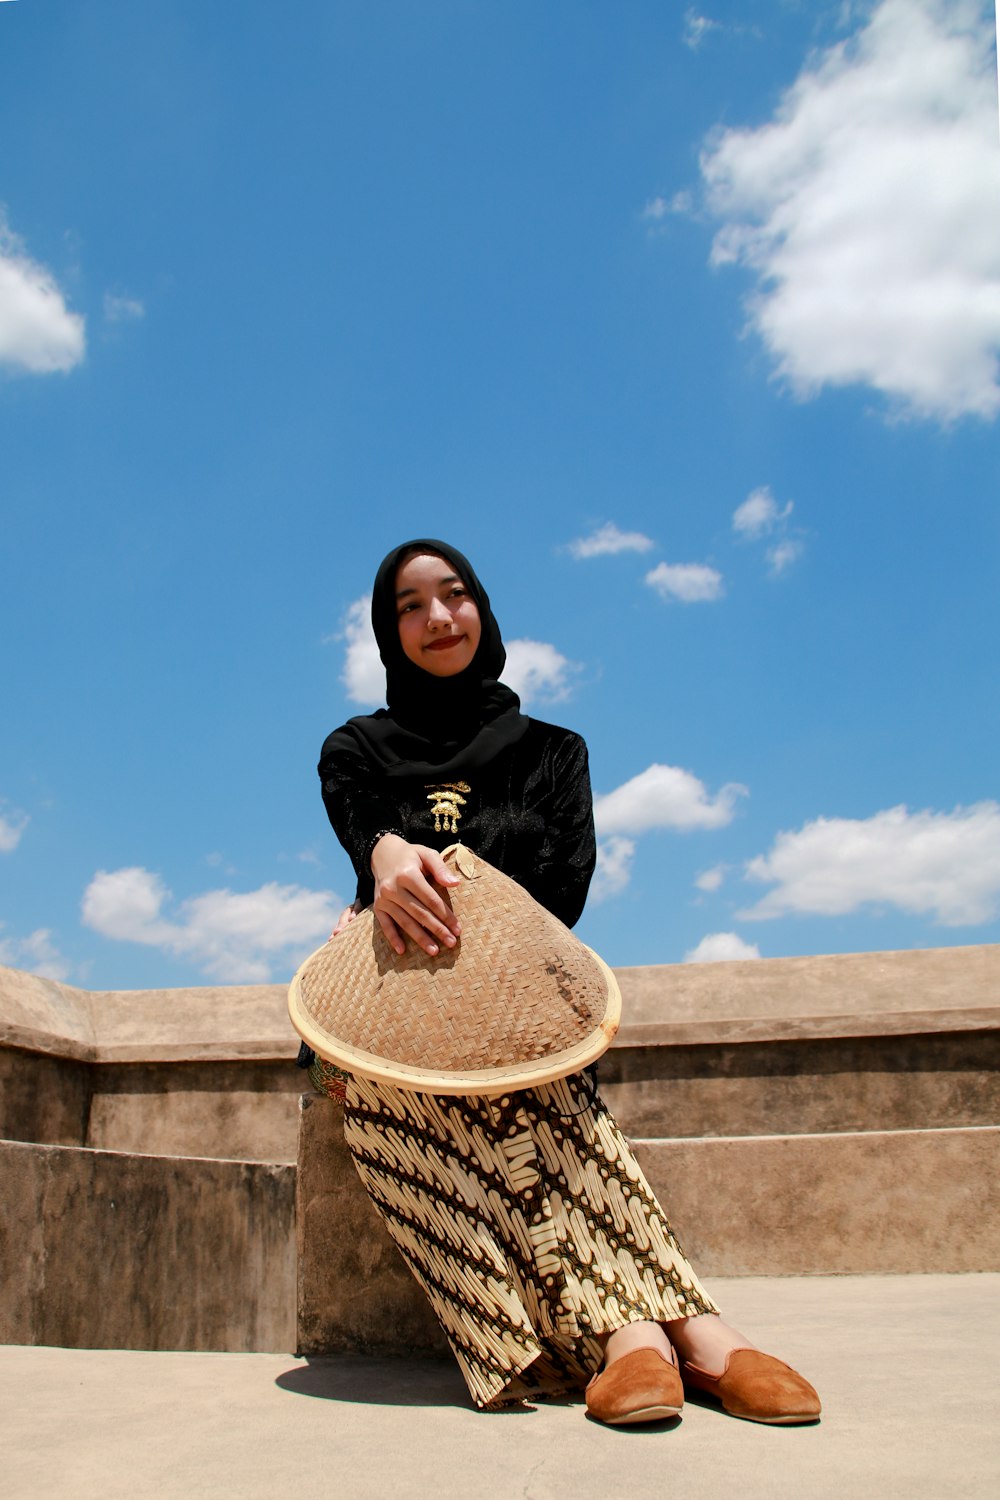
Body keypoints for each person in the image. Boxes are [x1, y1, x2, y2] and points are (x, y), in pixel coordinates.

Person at [305, 537, 820, 1426]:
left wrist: (468, 931)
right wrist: (386, 853)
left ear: (483, 609)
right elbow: (362, 833)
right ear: (389, 633)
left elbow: (562, 896)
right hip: (387, 1013)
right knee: (397, 1098)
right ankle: (688, 1336)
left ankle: (644, 1343)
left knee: (535, 1083)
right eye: (410, 606)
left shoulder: (553, 751)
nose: (437, 618)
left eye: (454, 596)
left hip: (514, 1003)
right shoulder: (355, 747)